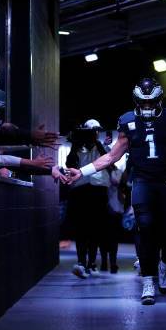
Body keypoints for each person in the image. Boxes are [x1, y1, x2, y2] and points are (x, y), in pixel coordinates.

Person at [66, 78, 166, 305]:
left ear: (160, 99)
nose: (148, 107)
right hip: (143, 182)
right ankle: (148, 279)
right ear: (136, 101)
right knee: (145, 229)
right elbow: (112, 156)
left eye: (152, 102)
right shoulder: (127, 121)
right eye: (144, 102)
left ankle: (165, 265)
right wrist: (81, 172)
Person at [66, 119, 111, 279]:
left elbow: (109, 162)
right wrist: (76, 143)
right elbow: (69, 162)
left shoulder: (102, 147)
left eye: (97, 131)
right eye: (92, 131)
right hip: (81, 189)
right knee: (81, 228)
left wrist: (97, 143)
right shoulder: (77, 146)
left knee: (96, 228)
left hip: (99, 190)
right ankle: (81, 262)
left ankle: (91, 263)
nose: (95, 133)